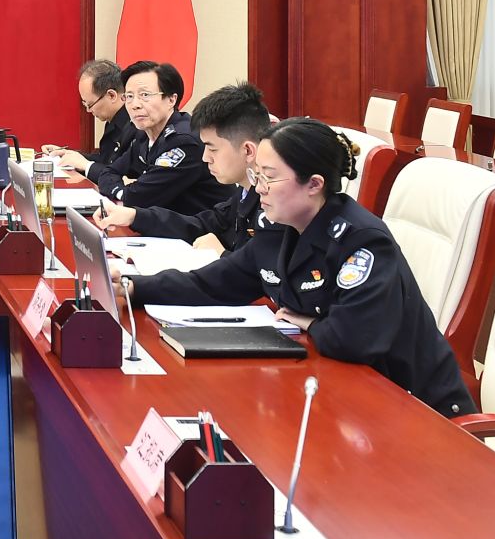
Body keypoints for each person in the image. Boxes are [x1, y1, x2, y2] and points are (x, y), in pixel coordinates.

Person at [122, 117, 473, 418]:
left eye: (269, 177)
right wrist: (134, 286)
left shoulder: (361, 241)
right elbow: (213, 282)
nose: (258, 188)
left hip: (416, 407)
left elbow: (354, 340)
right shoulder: (278, 227)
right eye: (256, 175)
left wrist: (310, 323)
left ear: (314, 185)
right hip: (338, 390)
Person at [102, 81, 271, 252]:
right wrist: (134, 216)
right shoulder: (244, 194)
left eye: (213, 149)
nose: (205, 157)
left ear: (248, 150)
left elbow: (262, 266)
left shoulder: (273, 202)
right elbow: (201, 225)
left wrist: (222, 255)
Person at [66, 60, 226, 222]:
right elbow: (108, 172)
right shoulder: (143, 134)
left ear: (171, 99)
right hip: (160, 224)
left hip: (200, 232)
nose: (135, 105)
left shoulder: (183, 142)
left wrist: (124, 191)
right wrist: (125, 190)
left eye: (145, 95)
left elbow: (138, 198)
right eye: (129, 97)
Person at [43, 59, 134, 174]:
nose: (88, 110)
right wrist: (68, 155)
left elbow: (117, 174)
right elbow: (105, 161)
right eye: (85, 104)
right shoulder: (113, 121)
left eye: (90, 104)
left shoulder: (135, 125)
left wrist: (86, 165)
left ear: (111, 95)